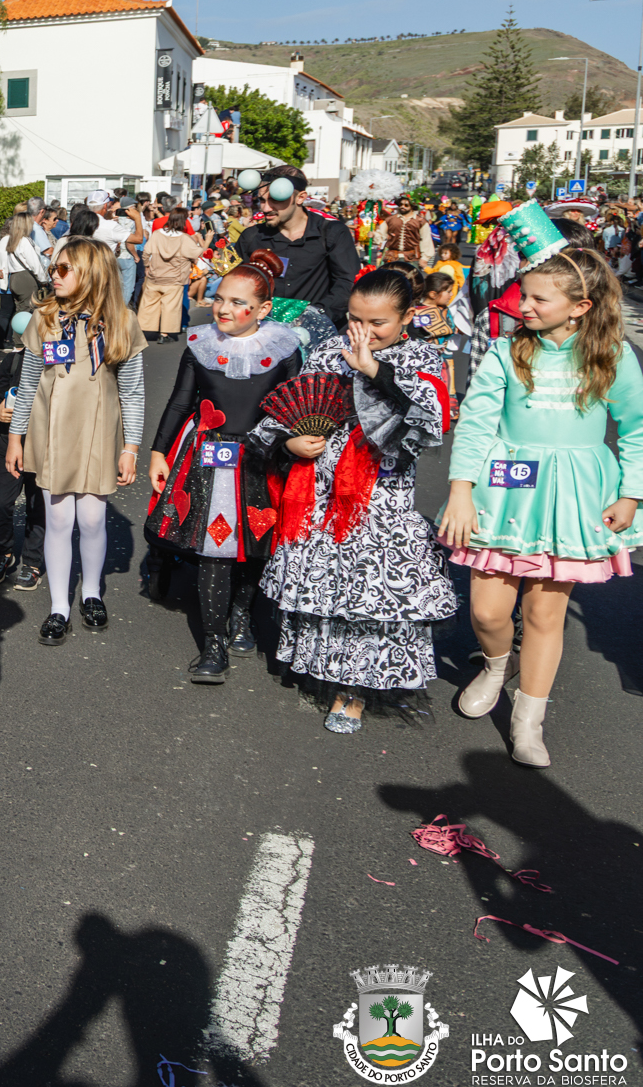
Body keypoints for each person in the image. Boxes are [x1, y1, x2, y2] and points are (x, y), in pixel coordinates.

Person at [438, 218, 643, 767]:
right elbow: (476, 424)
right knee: (488, 612)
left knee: (544, 616)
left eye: (536, 299)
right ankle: (496, 665)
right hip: (504, 491)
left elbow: (636, 427)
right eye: (523, 295)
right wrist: (461, 490)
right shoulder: (507, 352)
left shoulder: (612, 355)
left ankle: (529, 722)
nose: (522, 306)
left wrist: (631, 493)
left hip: (574, 496)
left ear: (579, 307)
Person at [253, 267, 455, 733]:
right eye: (354, 319)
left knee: (369, 590)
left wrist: (374, 371)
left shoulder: (421, 355)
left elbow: (430, 423)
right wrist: (290, 442)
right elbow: (289, 407)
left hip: (380, 492)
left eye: (377, 323)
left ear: (406, 318)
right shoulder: (328, 349)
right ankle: (324, 667)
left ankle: (356, 688)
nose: (362, 332)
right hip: (320, 489)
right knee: (326, 581)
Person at [145, 251, 304, 684]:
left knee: (255, 544)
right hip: (208, 459)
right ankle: (213, 645)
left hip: (262, 459)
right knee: (214, 548)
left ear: (263, 309)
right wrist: (158, 452)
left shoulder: (284, 349)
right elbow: (180, 402)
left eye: (238, 302)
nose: (223, 308)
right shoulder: (200, 345)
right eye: (219, 298)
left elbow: (294, 408)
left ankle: (242, 615)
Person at [6, 237, 148, 646]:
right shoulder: (44, 318)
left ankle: (91, 594)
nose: (54, 274)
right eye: (54, 267)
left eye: (64, 268)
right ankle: (58, 607)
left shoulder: (122, 321)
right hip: (51, 431)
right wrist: (15, 437)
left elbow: (132, 392)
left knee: (91, 520)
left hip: (98, 432)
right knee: (57, 521)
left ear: (92, 274)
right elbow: (28, 383)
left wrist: (131, 447)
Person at [235, 165, 361, 324]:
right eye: (262, 200)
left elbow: (346, 283)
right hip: (265, 330)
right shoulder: (252, 237)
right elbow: (238, 285)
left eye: (276, 199)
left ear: (300, 198)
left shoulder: (332, 233)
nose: (265, 208)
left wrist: (314, 317)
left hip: (320, 330)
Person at [0, 313, 46, 590]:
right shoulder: (14, 360)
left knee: (37, 507)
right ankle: (4, 552)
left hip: (44, 448)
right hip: (8, 445)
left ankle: (32, 563)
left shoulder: (58, 362)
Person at [138, 210, 202, 341]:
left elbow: (146, 252)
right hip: (175, 278)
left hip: (155, 276)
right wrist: (205, 240)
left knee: (149, 305)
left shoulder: (157, 234)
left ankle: (144, 331)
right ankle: (164, 334)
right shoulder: (184, 238)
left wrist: (147, 266)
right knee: (170, 307)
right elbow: (197, 253)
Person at [0, 211, 46, 350]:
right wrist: (44, 280)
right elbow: (35, 264)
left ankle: (18, 341)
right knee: (27, 310)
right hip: (25, 278)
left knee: (20, 310)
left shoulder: (12, 239)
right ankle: (21, 343)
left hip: (14, 277)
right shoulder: (24, 241)